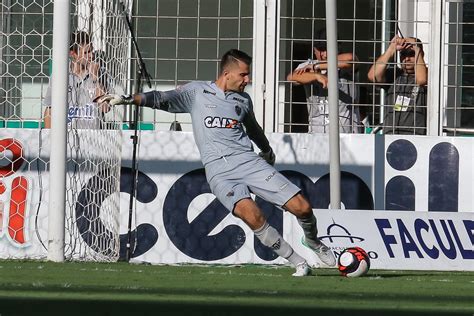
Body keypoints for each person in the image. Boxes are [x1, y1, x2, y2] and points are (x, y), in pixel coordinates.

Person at [99, 49, 336, 276]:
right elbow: (161, 98)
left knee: (302, 207)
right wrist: (126, 99)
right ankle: (299, 262)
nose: (247, 79)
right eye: (243, 74)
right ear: (227, 74)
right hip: (219, 172)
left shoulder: (243, 100)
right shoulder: (196, 93)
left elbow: (253, 129)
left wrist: (267, 150)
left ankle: (313, 241)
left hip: (248, 162)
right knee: (252, 216)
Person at [287, 28, 362, 133]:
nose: (325, 54)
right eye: (321, 50)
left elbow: (351, 59)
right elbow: (292, 77)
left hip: (348, 134)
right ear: (314, 49)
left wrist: (318, 66)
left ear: (338, 47)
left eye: (329, 48)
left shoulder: (339, 64)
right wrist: (317, 76)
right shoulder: (307, 66)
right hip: (317, 135)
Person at [43, 31, 107, 129]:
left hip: (92, 137)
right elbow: (49, 111)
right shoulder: (60, 75)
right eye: (86, 52)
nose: (91, 56)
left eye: (91, 51)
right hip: (66, 137)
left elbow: (105, 108)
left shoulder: (100, 73)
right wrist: (49, 138)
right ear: (73, 54)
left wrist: (95, 79)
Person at [367, 35, 428, 134]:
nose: (407, 58)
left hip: (416, 138)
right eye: (403, 54)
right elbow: (372, 76)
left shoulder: (427, 74)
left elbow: (421, 80)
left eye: (411, 54)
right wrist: (391, 49)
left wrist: (418, 51)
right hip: (391, 136)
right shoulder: (394, 74)